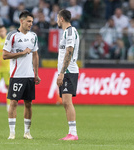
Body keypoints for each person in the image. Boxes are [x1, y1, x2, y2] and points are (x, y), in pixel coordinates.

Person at [3, 10, 41, 140]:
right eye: (28, 21)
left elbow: (35, 55)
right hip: (17, 75)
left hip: (29, 75)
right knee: (13, 102)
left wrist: (36, 73)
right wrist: (22, 53)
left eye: (32, 21)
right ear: (21, 21)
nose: (31, 24)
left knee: (28, 103)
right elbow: (5, 55)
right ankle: (12, 133)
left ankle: (27, 132)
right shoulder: (12, 35)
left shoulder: (33, 36)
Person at [56, 9, 79, 141]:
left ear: (62, 19)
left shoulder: (70, 31)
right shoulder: (66, 32)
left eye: (57, 18)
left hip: (68, 72)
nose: (57, 21)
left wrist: (62, 73)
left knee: (67, 101)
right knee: (65, 102)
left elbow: (69, 51)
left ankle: (73, 133)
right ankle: (71, 132)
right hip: (66, 71)